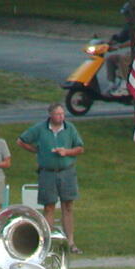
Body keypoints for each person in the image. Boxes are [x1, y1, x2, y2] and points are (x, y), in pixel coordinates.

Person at [17, 103, 85, 254]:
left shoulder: (69, 129)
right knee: (49, 207)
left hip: (66, 171)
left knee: (68, 206)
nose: (61, 117)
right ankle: (49, 242)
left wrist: (66, 152)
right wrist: (36, 150)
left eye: (62, 114)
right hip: (47, 172)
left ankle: (70, 242)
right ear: (50, 115)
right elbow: (21, 140)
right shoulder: (40, 129)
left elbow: (80, 148)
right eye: (58, 114)